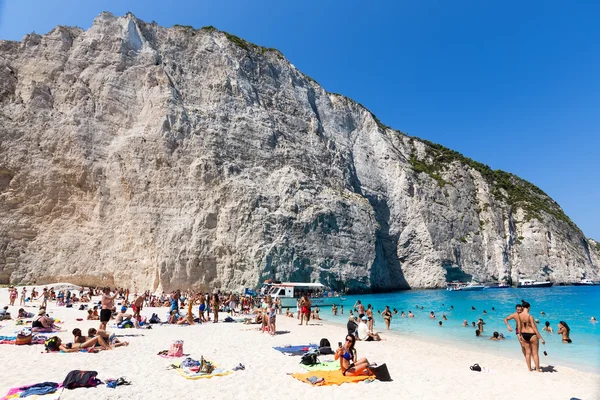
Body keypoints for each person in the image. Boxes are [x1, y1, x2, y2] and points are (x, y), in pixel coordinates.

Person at [516, 300, 545, 372]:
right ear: (528, 307)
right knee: (535, 353)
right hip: (532, 335)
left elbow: (519, 327)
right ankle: (537, 369)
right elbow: (534, 328)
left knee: (528, 353)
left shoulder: (519, 316)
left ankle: (529, 369)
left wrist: (519, 335)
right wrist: (541, 338)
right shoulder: (530, 316)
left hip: (523, 334)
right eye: (529, 308)